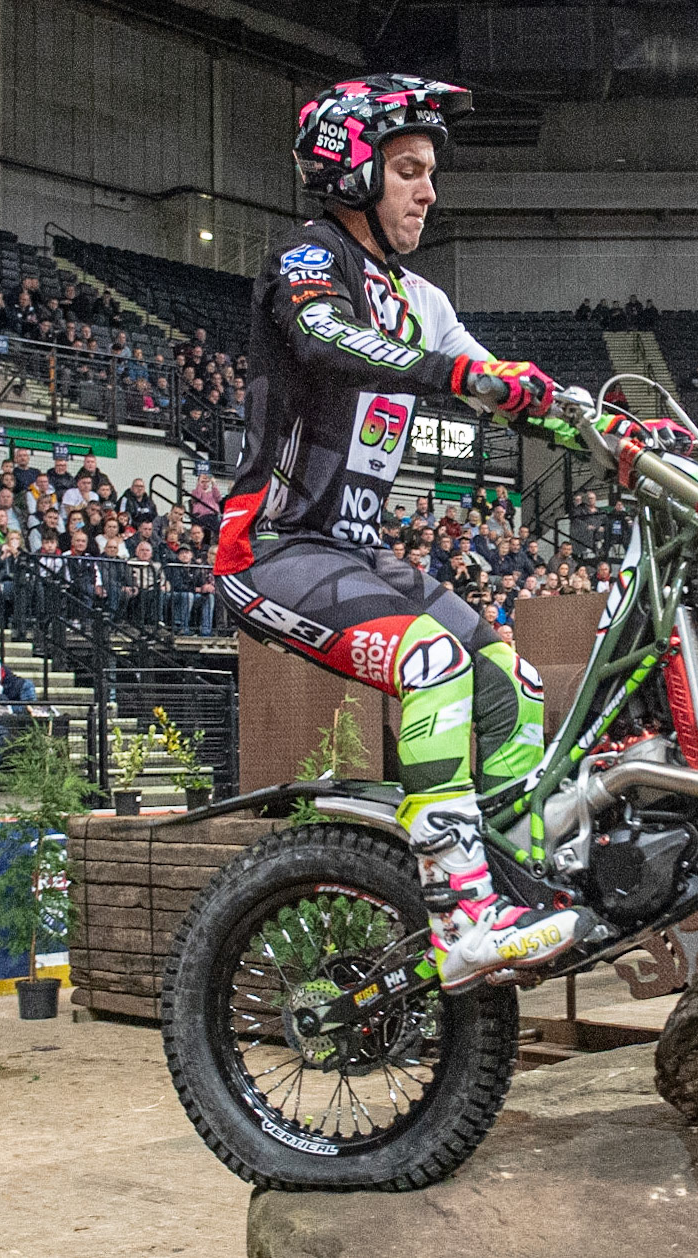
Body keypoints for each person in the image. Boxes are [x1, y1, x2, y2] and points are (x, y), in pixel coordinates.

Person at [214, 76, 592, 990]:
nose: (429, 191)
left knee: (511, 674)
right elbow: (323, 342)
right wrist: (462, 379)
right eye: (410, 170)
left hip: (356, 551)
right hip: (271, 548)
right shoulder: (306, 259)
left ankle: (515, 882)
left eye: (432, 172)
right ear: (352, 170)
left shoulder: (421, 297)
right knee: (429, 662)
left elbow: (490, 375)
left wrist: (595, 426)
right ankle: (457, 907)